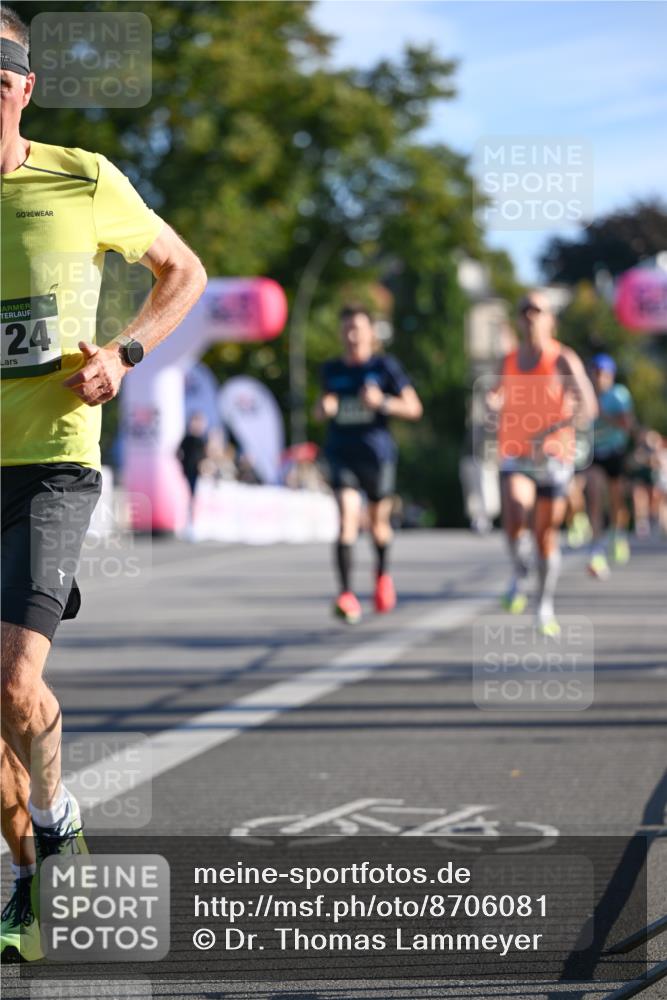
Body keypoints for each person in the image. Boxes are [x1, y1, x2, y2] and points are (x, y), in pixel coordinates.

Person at [0, 10, 207, 961]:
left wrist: (123, 354)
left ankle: (58, 818)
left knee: (15, 681)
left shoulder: (81, 177)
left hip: (52, 461)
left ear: (25, 86)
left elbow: (183, 271)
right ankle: (34, 883)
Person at [491, 291, 597, 636]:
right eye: (524, 310)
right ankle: (519, 570)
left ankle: (544, 605)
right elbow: (494, 394)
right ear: (518, 319)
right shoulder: (507, 360)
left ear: (550, 319)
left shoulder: (562, 358)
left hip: (553, 456)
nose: (530, 316)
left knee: (544, 536)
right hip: (516, 453)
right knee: (514, 514)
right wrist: (492, 403)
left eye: (537, 310)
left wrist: (552, 430)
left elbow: (589, 408)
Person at [315, 305, 422, 623]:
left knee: (378, 524)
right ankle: (346, 595)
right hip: (341, 452)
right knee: (347, 518)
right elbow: (320, 409)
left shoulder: (385, 367)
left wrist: (383, 402)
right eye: (346, 329)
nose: (352, 336)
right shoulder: (331, 369)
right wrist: (324, 408)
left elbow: (414, 408)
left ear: (371, 333)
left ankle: (382, 575)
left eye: (358, 329)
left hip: (377, 454)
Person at [585, 354, 634, 579]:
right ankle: (596, 547)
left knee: (616, 500)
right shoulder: (586, 393)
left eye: (602, 374)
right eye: (595, 373)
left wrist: (603, 415)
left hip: (615, 450)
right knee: (594, 494)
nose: (598, 378)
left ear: (611, 375)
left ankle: (617, 533)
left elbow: (627, 424)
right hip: (594, 452)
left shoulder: (618, 395)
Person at [177, 412, 209, 528]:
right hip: (187, 472)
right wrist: (182, 464)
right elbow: (178, 453)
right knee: (187, 495)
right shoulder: (187, 439)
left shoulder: (202, 440)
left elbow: (204, 457)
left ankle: (193, 520)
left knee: (195, 496)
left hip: (197, 473)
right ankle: (186, 520)